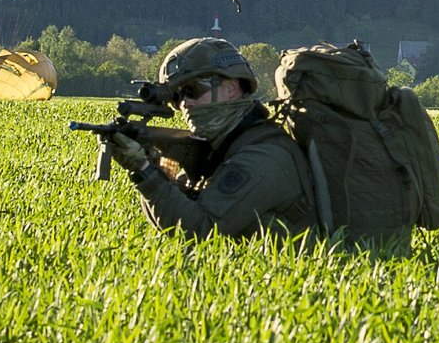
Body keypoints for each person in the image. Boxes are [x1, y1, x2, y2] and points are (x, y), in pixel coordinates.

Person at [101, 37, 320, 243]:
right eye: (177, 97)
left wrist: (146, 171)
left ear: (231, 89)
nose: (185, 104)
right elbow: (172, 225)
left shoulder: (262, 159)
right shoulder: (221, 149)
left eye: (192, 90)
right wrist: (151, 168)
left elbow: (200, 232)